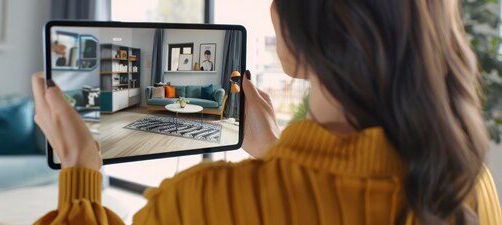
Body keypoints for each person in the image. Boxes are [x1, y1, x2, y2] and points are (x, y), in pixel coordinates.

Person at [32, 0, 502, 224]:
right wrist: (274, 151)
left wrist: (80, 164)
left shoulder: (197, 205)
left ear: (293, 37)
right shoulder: (467, 180)